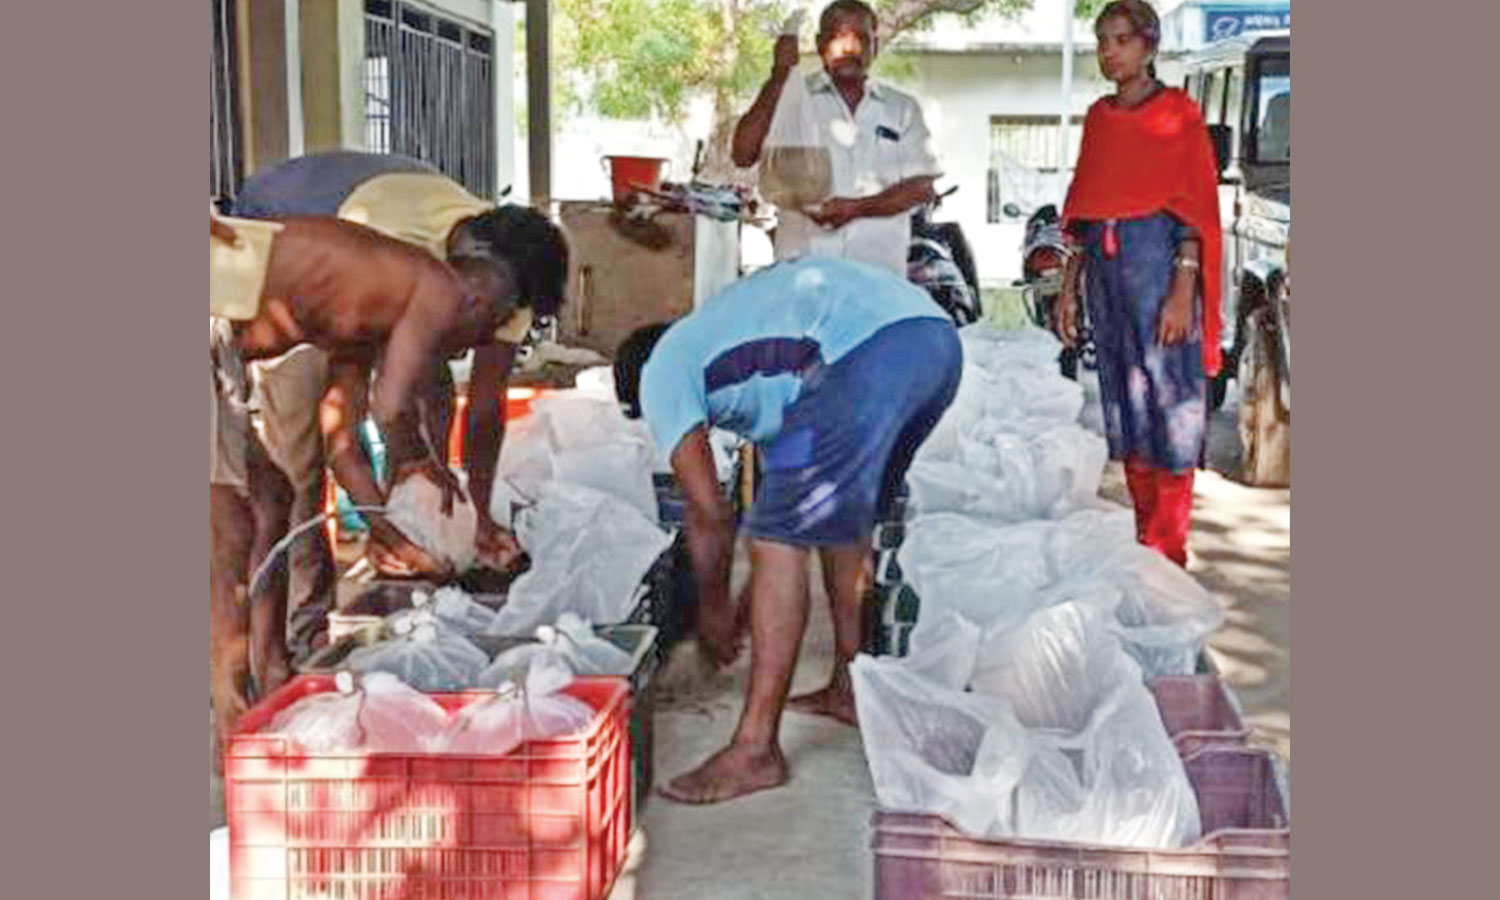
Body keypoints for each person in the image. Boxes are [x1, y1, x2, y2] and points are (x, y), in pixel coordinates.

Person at [208, 208, 567, 753]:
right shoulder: (438, 287)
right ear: (480, 299)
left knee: (273, 499)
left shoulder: (373, 315)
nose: (465, 351)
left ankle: (274, 674)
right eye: (479, 336)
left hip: (222, 345)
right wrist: (424, 471)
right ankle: (230, 717)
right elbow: (390, 408)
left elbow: (344, 446)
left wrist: (386, 530)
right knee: (228, 525)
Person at [613, 256, 962, 804]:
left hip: (868, 351)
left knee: (775, 538)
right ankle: (852, 687)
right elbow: (803, 508)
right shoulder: (756, 367)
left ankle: (755, 748)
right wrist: (751, 598)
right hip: (932, 345)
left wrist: (712, 609)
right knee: (840, 523)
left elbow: (709, 512)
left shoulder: (663, 367)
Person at [1057, 0, 1223, 567]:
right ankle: (1143, 541)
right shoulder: (1100, 118)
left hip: (1160, 275)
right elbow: (1083, 212)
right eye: (1102, 41)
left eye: (1121, 40)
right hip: (1108, 284)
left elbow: (1194, 209)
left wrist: (1183, 288)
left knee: (1168, 405)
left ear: (1149, 46)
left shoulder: (1178, 114)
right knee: (1127, 406)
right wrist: (1069, 285)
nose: (1109, 52)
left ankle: (1169, 550)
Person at [731, 0, 942, 276]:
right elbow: (743, 154)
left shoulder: (901, 108)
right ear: (819, 44)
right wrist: (779, 74)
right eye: (837, 37)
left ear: (874, 46)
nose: (849, 48)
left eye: (861, 38)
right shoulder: (790, 99)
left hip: (877, 278)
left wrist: (856, 209)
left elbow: (922, 188)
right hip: (802, 276)